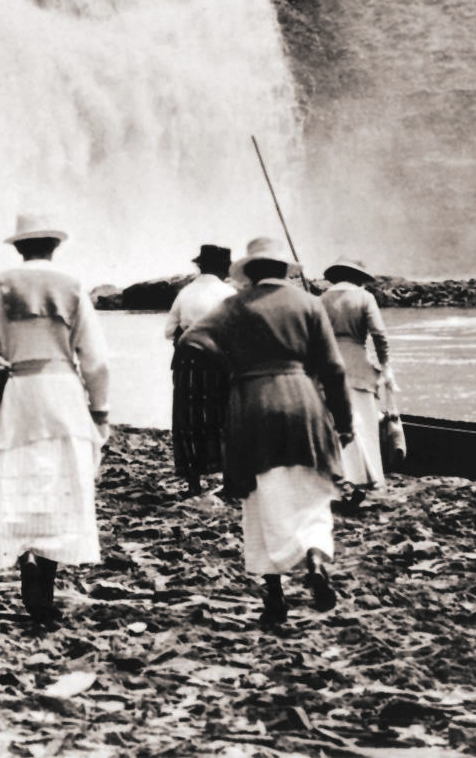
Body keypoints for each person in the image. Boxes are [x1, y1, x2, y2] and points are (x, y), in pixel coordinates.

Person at [0, 213, 111, 625]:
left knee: (20, 474)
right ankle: (47, 575)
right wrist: (100, 410)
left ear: (18, 248)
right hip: (62, 390)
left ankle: (28, 559)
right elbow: (97, 361)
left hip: (19, 389)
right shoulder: (72, 285)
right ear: (55, 246)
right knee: (58, 478)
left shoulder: (1, 283)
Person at [180, 236, 353, 626]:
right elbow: (334, 369)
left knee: (261, 500)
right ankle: (313, 559)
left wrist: (231, 367)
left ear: (250, 272)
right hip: (302, 398)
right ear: (283, 269)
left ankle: (274, 597)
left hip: (252, 403)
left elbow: (192, 340)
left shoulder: (234, 305)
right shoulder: (308, 303)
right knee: (309, 491)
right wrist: (343, 422)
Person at [165, 243, 236, 497]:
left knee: (188, 418)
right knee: (224, 417)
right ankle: (228, 481)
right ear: (222, 267)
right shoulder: (229, 293)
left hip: (188, 361)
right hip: (219, 360)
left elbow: (167, 331)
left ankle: (194, 483)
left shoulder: (185, 293)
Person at [319, 257, 393, 496]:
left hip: (328, 366)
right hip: (359, 366)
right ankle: (370, 478)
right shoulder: (364, 297)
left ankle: (342, 477)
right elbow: (379, 335)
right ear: (358, 278)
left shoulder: (320, 299)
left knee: (334, 422)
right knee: (364, 422)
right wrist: (385, 366)